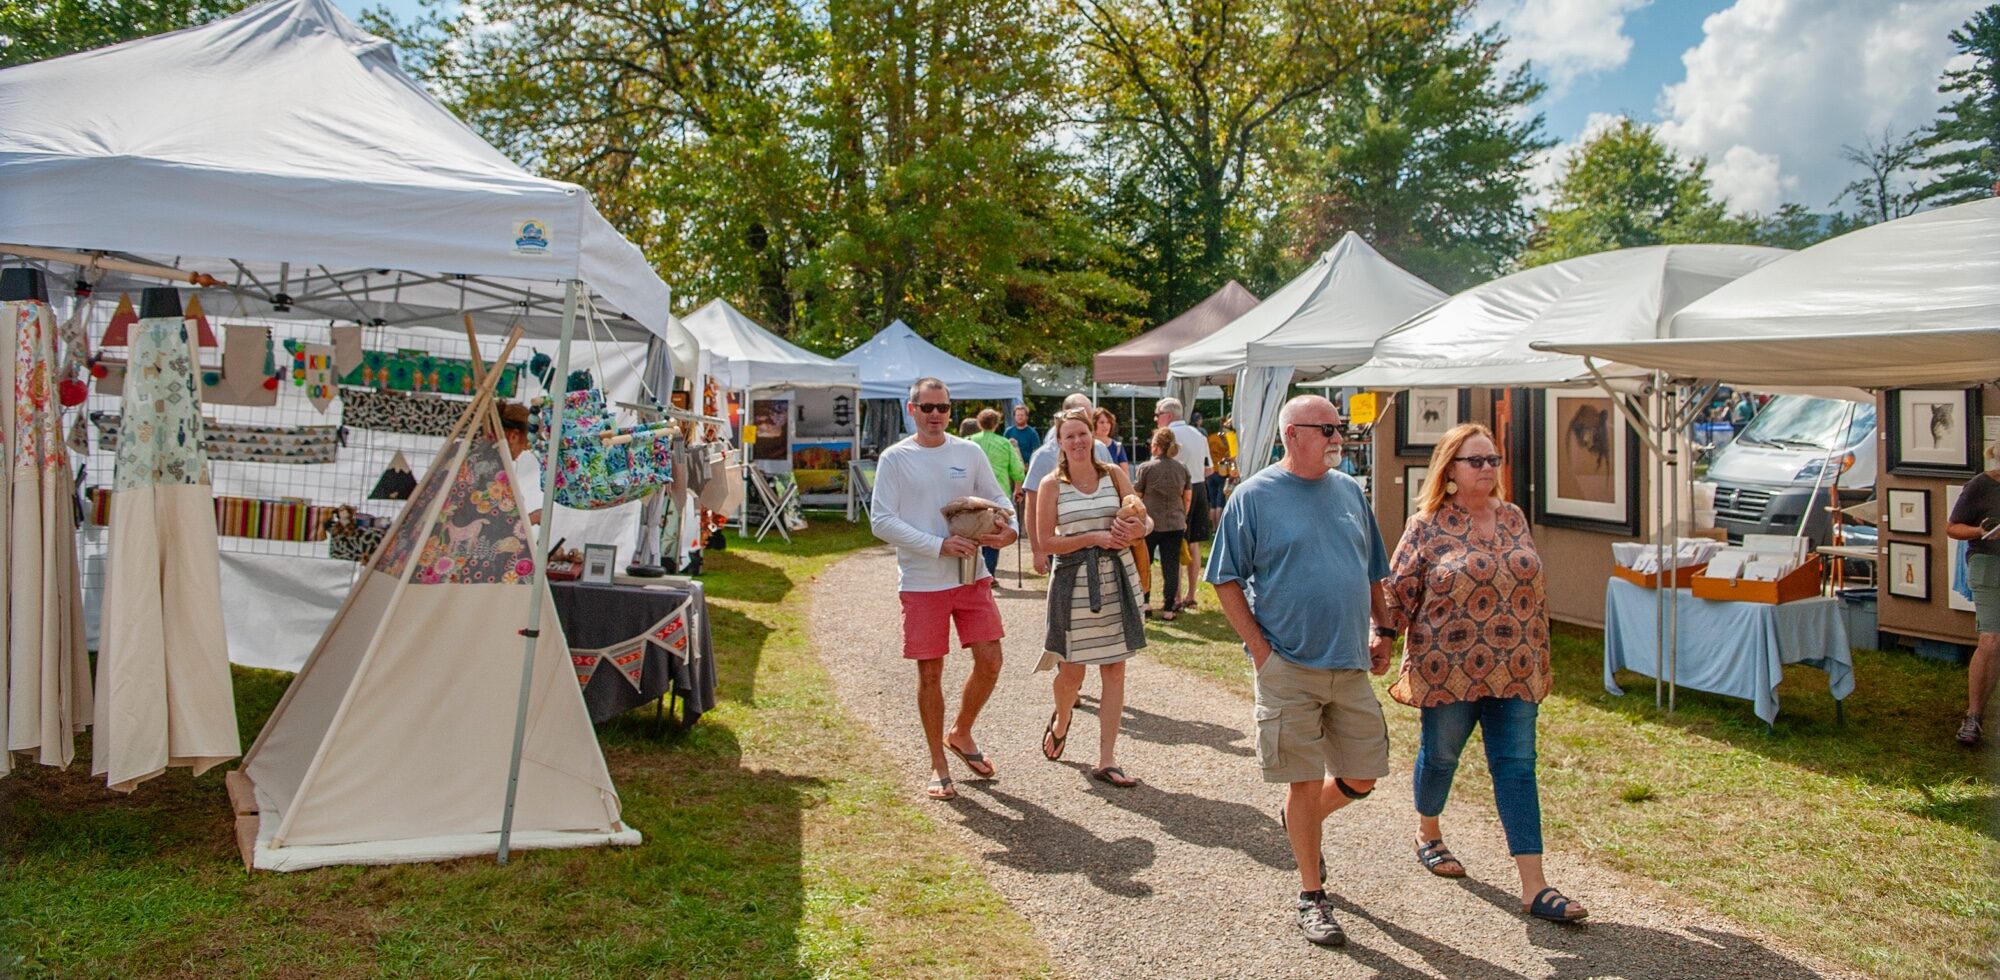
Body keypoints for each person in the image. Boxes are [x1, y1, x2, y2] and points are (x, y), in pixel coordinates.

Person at [1205, 394, 1393, 947]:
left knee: (1363, 775)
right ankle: (1312, 894)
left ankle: (1300, 821)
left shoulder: (1349, 492)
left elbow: (1373, 567)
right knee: (1303, 780)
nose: (1339, 436)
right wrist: (1262, 652)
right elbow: (1224, 578)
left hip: (1351, 660)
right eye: (1328, 428)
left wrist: (1383, 629)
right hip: (1287, 664)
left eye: (1340, 427)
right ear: (1293, 434)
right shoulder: (1254, 496)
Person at [1384, 422, 1588, 924]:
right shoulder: (1427, 524)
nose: (1488, 469)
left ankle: (1535, 887)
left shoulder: (1514, 516)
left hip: (1516, 666)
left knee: (1517, 767)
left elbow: (1532, 587)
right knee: (1442, 757)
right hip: (1447, 667)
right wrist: (1381, 636)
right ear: (1449, 470)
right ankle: (1428, 831)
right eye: (1476, 461)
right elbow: (1398, 590)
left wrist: (1540, 654)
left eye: (1493, 460)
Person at [869, 378, 1019, 801]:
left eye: (943, 408)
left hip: (971, 575)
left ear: (952, 411)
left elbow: (1000, 501)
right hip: (922, 582)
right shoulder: (895, 458)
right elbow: (881, 521)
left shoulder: (967, 451)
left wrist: (1010, 532)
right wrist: (938, 545)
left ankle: (961, 732)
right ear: (910, 408)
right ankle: (938, 764)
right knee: (930, 673)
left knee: (991, 660)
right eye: (927, 407)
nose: (935, 415)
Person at [1036, 409, 1150, 787]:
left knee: (1115, 668)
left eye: (1083, 433)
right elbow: (1046, 542)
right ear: (1060, 442)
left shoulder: (1114, 474)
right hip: (1073, 581)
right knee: (1071, 672)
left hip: (1117, 577)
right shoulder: (1052, 485)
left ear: (1094, 436)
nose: (1078, 441)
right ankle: (1063, 716)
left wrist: (1137, 527)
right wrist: (1094, 538)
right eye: (1069, 436)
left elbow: (1144, 518)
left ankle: (1107, 759)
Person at [1023, 394, 1113, 575]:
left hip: (1106, 552)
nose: (1088, 423)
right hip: (1066, 553)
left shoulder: (1101, 449)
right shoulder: (1043, 457)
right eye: (1083, 416)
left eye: (1088, 419)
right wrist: (1037, 551)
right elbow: (1032, 507)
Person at [1949, 434, 2000, 745]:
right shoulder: (1981, 485)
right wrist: (1981, 531)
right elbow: (1952, 527)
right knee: (1992, 640)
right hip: (1988, 564)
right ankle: (1974, 716)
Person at [1155, 398, 1212, 610]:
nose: (1156, 419)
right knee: (1194, 542)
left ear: (1168, 416)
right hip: (1198, 487)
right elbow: (1209, 469)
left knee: (1174, 542)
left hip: (1175, 490)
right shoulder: (1199, 434)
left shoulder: (1167, 436)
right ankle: (1190, 594)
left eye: (1158, 414)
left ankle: (1176, 596)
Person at [1133, 428, 1191, 620]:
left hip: (1150, 523)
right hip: (1175, 523)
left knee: (1145, 563)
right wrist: (1183, 515)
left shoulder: (1146, 468)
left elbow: (1137, 496)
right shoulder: (1182, 468)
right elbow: (1188, 498)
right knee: (1171, 566)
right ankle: (1168, 608)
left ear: (1156, 446)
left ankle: (1146, 602)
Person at [966, 408, 1027, 576]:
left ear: (979, 422)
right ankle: (989, 573)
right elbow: (1017, 470)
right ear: (996, 424)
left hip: (972, 495)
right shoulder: (1004, 443)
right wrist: (1018, 487)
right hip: (997, 495)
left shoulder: (969, 441)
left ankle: (971, 571)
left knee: (971, 531)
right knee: (994, 531)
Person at [499, 403, 544, 526]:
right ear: (513, 436)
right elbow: (498, 528)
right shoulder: (495, 473)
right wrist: (533, 518)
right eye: (526, 443)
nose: (525, 449)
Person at [1003, 403, 1042, 467]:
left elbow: (1037, 453)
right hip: (1011, 468)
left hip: (1027, 468)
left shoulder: (1032, 433)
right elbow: (1003, 450)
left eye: (1022, 415)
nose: (1020, 417)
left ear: (1027, 417)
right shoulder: (1008, 431)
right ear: (1014, 417)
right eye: (1018, 415)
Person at [1093, 407, 1131, 472]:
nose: (1105, 425)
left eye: (1108, 422)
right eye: (1102, 422)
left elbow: (1125, 474)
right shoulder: (1088, 445)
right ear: (1094, 424)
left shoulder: (1117, 447)